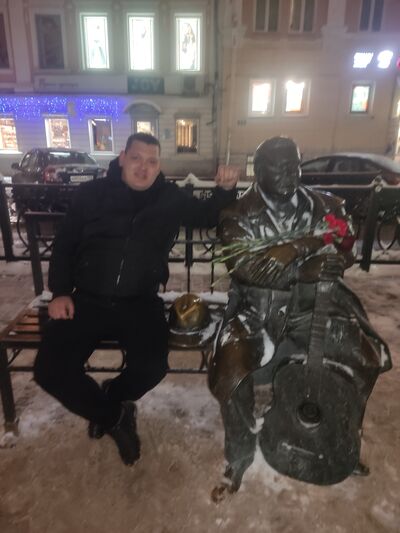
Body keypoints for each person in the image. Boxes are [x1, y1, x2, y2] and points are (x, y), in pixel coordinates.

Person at [34, 132, 239, 466]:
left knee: (152, 368)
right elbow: (65, 244)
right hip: (86, 299)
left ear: (159, 166)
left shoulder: (169, 198)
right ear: (122, 158)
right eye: (137, 159)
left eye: (152, 162)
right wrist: (60, 292)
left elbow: (206, 216)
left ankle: (112, 397)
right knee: (49, 369)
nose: (144, 168)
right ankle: (114, 417)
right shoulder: (92, 194)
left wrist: (226, 189)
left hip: (139, 301)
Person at [208, 136, 391, 495]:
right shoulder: (236, 214)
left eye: (294, 166)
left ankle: (340, 436)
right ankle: (240, 454)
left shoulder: (327, 205)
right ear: (259, 171)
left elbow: (346, 247)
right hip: (256, 310)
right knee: (231, 367)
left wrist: (322, 256)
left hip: (317, 305)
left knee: (363, 357)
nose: (289, 175)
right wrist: (304, 268)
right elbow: (248, 269)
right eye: (279, 168)